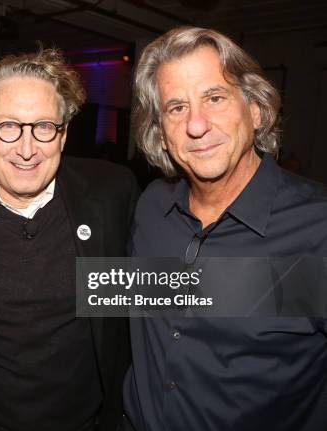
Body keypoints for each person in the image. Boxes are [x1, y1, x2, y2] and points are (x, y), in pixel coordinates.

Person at [0, 49, 138, 431]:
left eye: (44, 126)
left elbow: (154, 300)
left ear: (63, 134)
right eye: (9, 126)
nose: (27, 149)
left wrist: (264, 284)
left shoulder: (110, 195)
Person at [124, 27, 327, 430]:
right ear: (161, 133)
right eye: (176, 108)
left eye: (214, 98)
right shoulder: (151, 208)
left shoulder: (317, 229)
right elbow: (121, 304)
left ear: (255, 109)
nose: (196, 125)